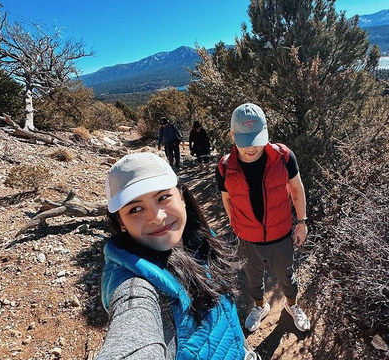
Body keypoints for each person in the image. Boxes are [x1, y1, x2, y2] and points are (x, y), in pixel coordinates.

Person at [96, 152, 259, 360]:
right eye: (136, 209)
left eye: (163, 197)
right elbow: (133, 333)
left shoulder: (198, 241)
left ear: (182, 196)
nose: (157, 217)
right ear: (120, 222)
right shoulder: (136, 288)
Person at [215, 103, 310, 333]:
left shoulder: (283, 156)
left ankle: (292, 305)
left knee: (287, 277)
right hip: (247, 239)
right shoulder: (225, 166)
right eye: (245, 140)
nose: (251, 148)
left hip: (280, 235)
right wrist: (236, 225)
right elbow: (227, 199)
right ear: (232, 134)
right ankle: (260, 306)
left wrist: (301, 222)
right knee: (252, 280)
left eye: (256, 139)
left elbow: (297, 189)